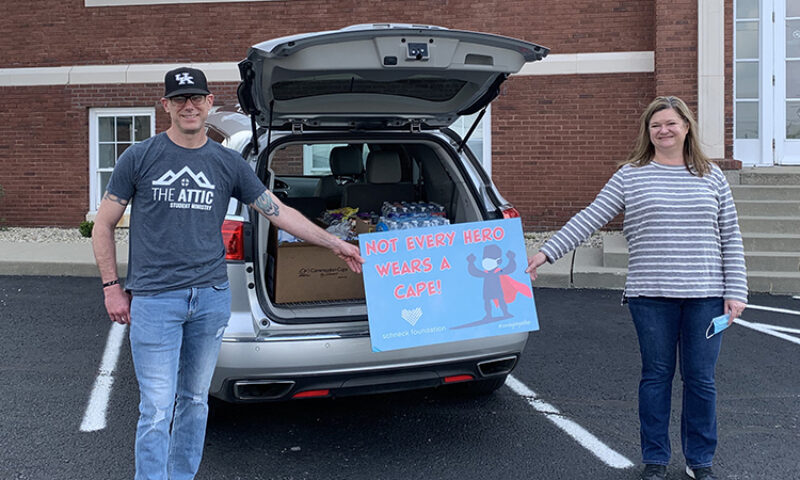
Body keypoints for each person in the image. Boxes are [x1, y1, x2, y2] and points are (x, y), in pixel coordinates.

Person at [91, 66, 364, 480]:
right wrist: (112, 287)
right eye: (179, 99)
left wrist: (335, 243)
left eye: (196, 98)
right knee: (157, 408)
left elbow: (278, 211)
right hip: (155, 299)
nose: (188, 106)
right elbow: (103, 224)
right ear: (166, 105)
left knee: (195, 401)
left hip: (211, 298)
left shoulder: (226, 162)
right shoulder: (140, 157)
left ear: (208, 104)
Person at [526, 96, 747, 480]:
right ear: (648, 131)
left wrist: (737, 291)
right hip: (651, 296)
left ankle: (700, 461)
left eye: (671, 123)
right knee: (656, 377)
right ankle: (655, 459)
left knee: (701, 381)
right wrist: (546, 253)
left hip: (706, 296)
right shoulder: (631, 175)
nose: (663, 130)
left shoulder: (711, 175)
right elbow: (591, 216)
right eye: (655, 125)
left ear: (686, 127)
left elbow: (730, 235)